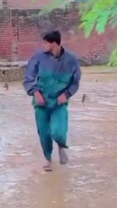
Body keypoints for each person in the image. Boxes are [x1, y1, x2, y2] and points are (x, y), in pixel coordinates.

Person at [23, 30, 81, 171]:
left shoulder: (71, 61)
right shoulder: (38, 58)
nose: (42, 45)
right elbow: (28, 78)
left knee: (58, 131)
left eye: (45, 42)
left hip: (59, 103)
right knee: (44, 134)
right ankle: (48, 159)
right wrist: (35, 92)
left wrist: (66, 94)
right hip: (41, 102)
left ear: (54, 43)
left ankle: (61, 146)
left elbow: (75, 82)